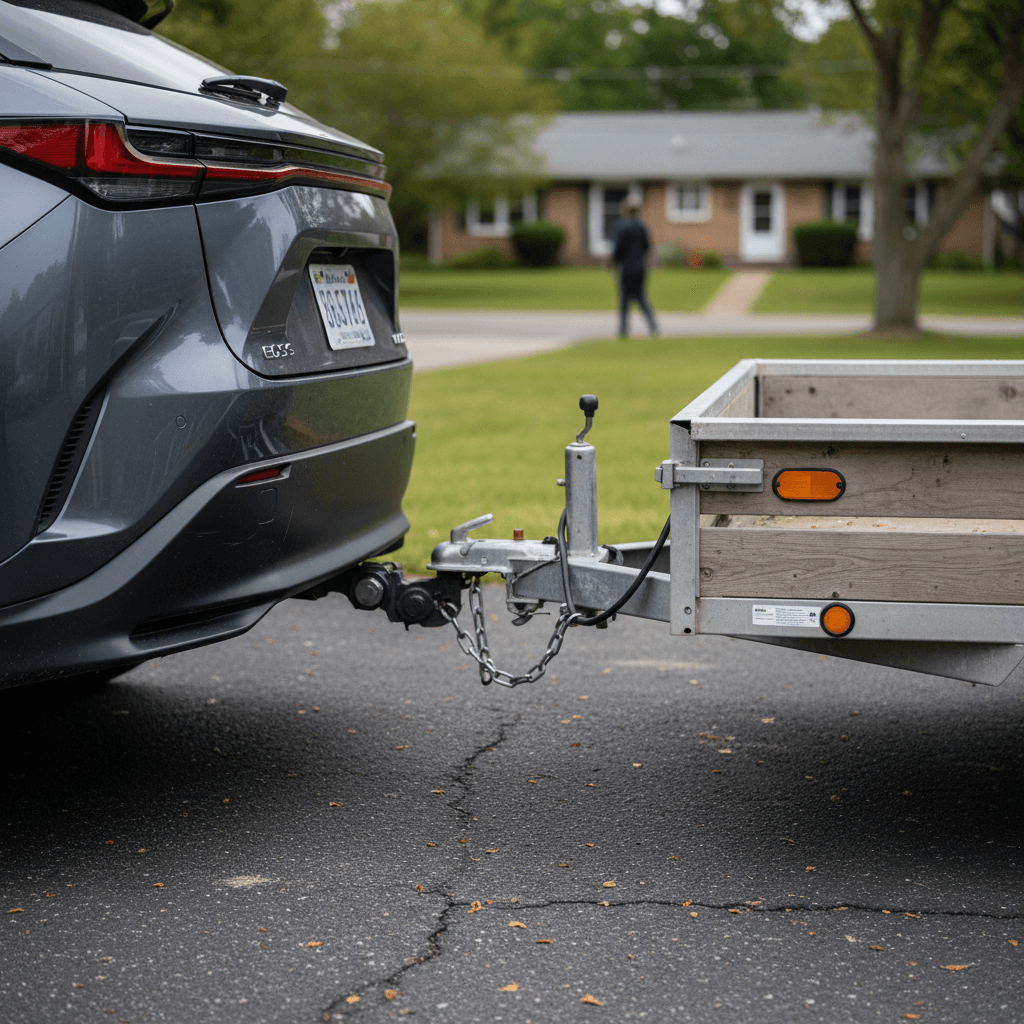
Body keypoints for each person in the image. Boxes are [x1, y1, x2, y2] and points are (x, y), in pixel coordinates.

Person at [611, 199, 658, 339]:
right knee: (641, 297)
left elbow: (618, 249)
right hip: (640, 267)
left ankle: (623, 329)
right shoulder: (642, 227)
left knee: (624, 299)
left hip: (626, 268)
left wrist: (614, 262)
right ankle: (652, 326)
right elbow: (647, 247)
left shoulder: (623, 228)